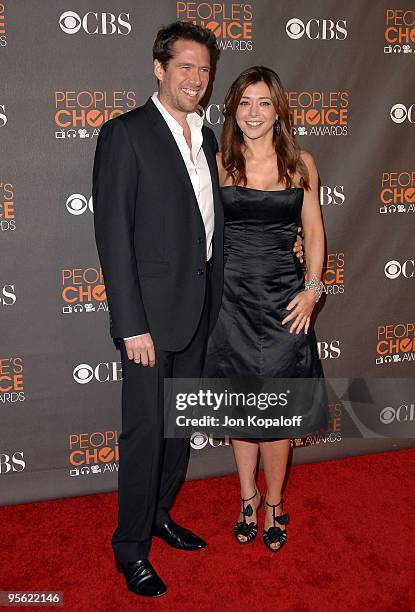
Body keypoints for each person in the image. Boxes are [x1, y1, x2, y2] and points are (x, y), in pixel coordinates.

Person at [203, 66, 328, 553]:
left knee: (277, 409)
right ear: (233, 107)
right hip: (230, 300)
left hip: (284, 300)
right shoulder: (217, 163)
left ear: (278, 111)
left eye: (264, 103)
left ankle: (274, 502)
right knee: (241, 408)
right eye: (245, 102)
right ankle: (247, 497)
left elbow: (314, 232)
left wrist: (313, 290)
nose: (254, 113)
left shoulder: (300, 163)